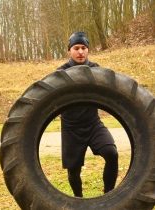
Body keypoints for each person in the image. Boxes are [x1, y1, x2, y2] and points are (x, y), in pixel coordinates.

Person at [57, 32, 118, 197]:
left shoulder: (95, 69)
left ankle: (109, 195)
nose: (80, 52)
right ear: (69, 50)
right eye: (76, 48)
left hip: (93, 123)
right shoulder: (61, 72)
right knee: (73, 171)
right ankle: (79, 198)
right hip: (71, 127)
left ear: (88, 50)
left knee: (111, 153)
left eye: (84, 48)